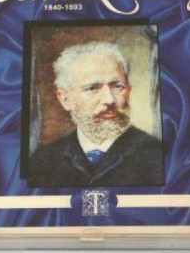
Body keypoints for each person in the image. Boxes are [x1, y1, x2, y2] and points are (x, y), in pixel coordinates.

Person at [28, 41, 164, 187]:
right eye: (92, 88)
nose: (109, 100)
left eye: (117, 86)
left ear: (129, 91)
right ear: (65, 100)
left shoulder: (158, 155)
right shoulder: (41, 160)